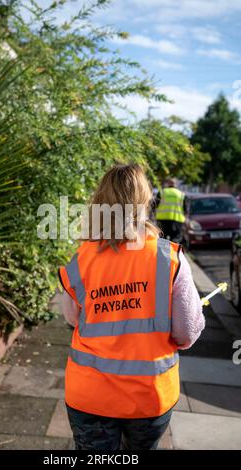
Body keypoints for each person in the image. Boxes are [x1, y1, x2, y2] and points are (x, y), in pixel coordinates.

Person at [58, 163, 204, 451]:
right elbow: (187, 333)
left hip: (90, 395)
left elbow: (73, 319)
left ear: (100, 202)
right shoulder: (170, 259)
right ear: (146, 201)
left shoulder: (81, 259)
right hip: (150, 397)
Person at [155, 178, 186, 243]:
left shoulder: (162, 192)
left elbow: (154, 205)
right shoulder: (181, 194)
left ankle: (163, 253)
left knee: (162, 240)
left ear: (167, 184)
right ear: (176, 184)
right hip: (177, 220)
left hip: (162, 220)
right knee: (176, 240)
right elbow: (185, 209)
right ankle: (173, 252)